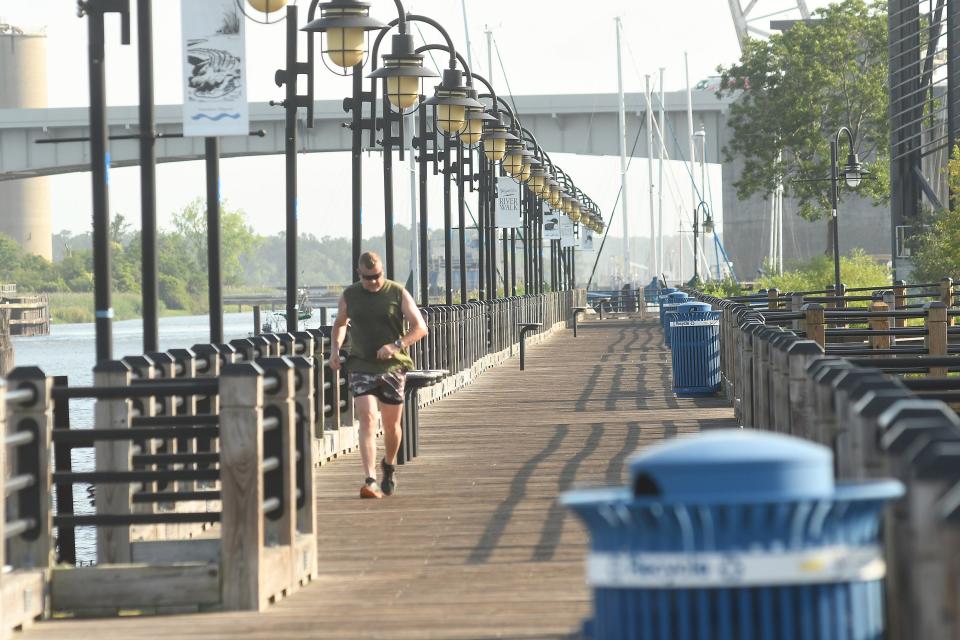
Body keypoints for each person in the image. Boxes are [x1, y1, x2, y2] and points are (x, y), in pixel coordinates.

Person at [330, 252, 428, 499]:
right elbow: (340, 323)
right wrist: (334, 350)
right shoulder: (350, 295)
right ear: (359, 274)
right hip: (361, 365)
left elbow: (420, 328)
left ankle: (389, 464)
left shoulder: (397, 293)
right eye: (368, 278)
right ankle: (370, 479)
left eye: (377, 276)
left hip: (392, 367)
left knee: (392, 425)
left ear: (382, 271)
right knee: (367, 418)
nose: (373, 282)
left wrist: (396, 345)